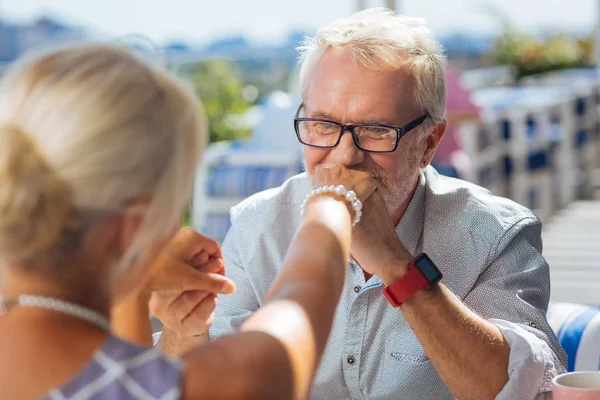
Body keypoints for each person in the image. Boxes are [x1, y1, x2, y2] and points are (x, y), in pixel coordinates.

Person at [153, 8, 567, 400]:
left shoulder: (497, 234)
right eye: (322, 124)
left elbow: (524, 391)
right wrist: (184, 334)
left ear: (429, 143)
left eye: (375, 130)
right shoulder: (259, 223)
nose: (343, 156)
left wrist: (395, 264)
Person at [0, 42, 377, 399]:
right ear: (135, 226)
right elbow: (297, 315)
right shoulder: (200, 385)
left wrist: (133, 281)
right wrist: (333, 200)